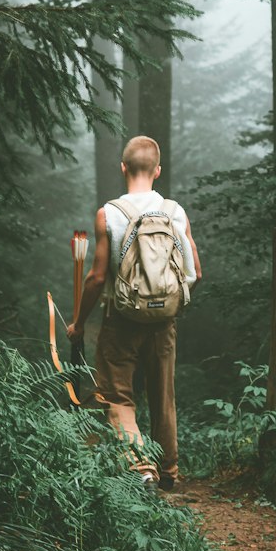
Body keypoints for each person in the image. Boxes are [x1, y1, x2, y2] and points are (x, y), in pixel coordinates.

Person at [67, 135, 201, 489]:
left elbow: (96, 278)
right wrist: (169, 305)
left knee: (116, 395)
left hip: (121, 320)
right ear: (158, 170)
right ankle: (169, 472)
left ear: (123, 167)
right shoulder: (175, 212)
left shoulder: (108, 214)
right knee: (163, 394)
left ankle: (141, 465)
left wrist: (79, 322)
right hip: (164, 322)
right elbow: (195, 274)